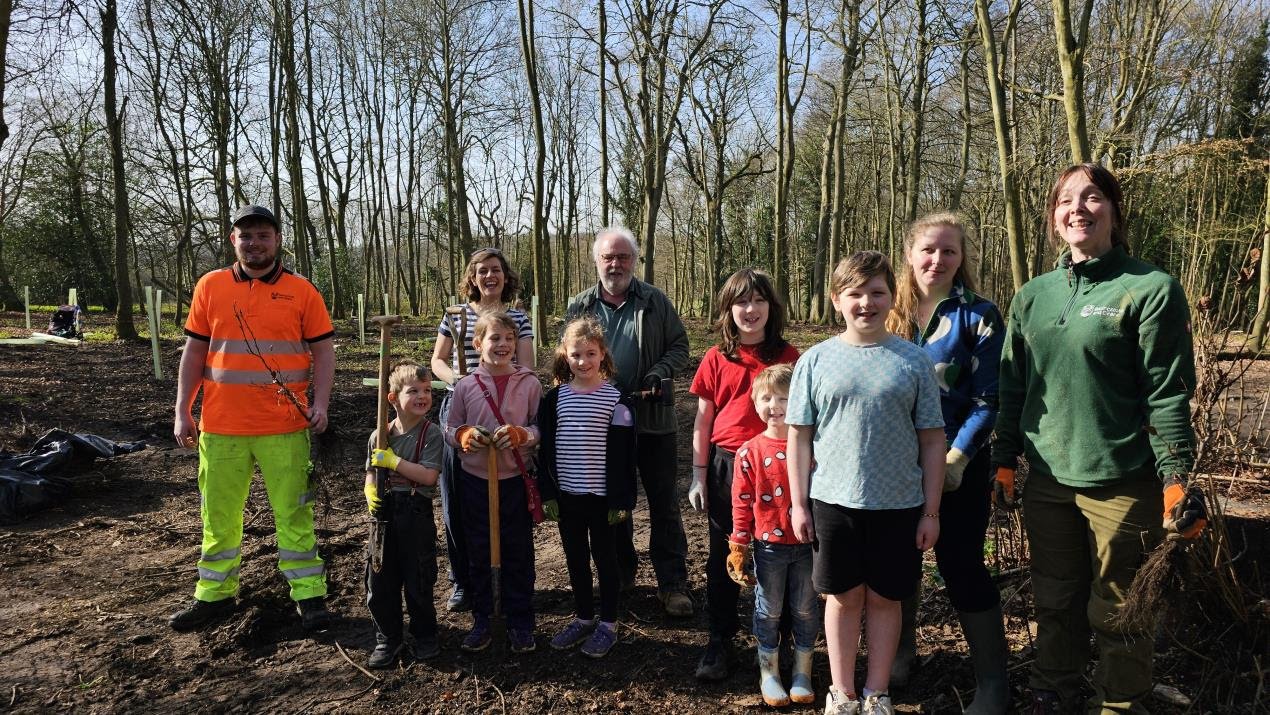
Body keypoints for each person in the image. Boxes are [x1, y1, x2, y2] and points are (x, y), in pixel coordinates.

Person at [992, 164, 1206, 714]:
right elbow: (1014, 387)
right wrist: (1004, 459)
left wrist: (1176, 477)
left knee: (1120, 607)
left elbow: (1166, 392)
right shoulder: (1032, 296)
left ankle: (1119, 703)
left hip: (1122, 480)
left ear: (1113, 210)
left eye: (1092, 197)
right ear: (1053, 217)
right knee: (1055, 596)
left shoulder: (1150, 288)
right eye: (1066, 200)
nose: (1078, 208)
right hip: (1048, 480)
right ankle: (1054, 690)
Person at [787, 251, 945, 715]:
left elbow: (932, 441)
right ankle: (843, 692)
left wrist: (931, 511)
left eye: (877, 292)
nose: (866, 303)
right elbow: (799, 438)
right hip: (833, 502)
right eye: (855, 293)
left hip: (899, 504)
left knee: (885, 599)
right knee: (842, 597)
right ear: (836, 300)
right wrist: (799, 504)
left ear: (891, 297)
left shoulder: (914, 361)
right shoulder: (815, 361)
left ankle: (877, 692)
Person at [169, 204, 335, 632]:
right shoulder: (210, 286)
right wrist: (183, 409)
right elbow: (194, 352)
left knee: (294, 514)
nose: (254, 243)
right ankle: (215, 595)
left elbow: (323, 352)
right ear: (233, 240)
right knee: (218, 516)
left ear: (277, 240)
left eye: (263, 235)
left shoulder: (302, 290)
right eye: (246, 236)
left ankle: (309, 595)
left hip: (286, 427)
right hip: (221, 427)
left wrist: (320, 404)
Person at [884, 212, 1009, 712]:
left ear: (961, 258)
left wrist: (956, 460)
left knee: (961, 565)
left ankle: (993, 684)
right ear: (909, 254)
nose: (937, 260)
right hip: (892, 466)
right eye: (928, 250)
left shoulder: (979, 315)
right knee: (897, 562)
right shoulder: (883, 310)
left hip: (960, 464)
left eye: (949, 251)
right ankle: (900, 652)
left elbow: (989, 399)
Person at [564, 226, 692, 617]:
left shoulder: (654, 300)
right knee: (614, 502)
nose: (615, 264)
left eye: (623, 257)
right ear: (596, 261)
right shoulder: (580, 305)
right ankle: (620, 573)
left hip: (653, 420)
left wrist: (658, 372)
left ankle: (673, 584)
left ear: (634, 261)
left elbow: (680, 346)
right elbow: (567, 356)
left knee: (664, 504)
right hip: (602, 425)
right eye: (608, 257)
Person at [687, 268, 800, 680]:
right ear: (728, 309)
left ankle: (779, 641)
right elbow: (703, 421)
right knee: (725, 554)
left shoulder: (790, 357)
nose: (750, 310)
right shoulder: (716, 357)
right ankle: (720, 639)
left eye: (758, 300)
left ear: (771, 307)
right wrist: (698, 474)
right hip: (727, 466)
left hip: (779, 468)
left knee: (781, 555)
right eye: (741, 302)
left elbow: (804, 420)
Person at [430, 247, 535, 613]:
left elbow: (527, 364)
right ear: (472, 278)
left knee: (509, 496)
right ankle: (462, 580)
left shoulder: (518, 318)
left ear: (506, 276)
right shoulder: (455, 315)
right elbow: (437, 360)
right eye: (483, 271)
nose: (490, 276)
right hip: (463, 407)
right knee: (458, 497)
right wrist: (459, 381)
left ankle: (507, 576)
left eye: (496, 270)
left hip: (506, 407)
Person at [538, 316, 638, 658]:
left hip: (603, 498)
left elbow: (626, 455)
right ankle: (583, 617)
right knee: (576, 559)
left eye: (590, 354)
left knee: (606, 560)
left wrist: (622, 499)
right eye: (576, 355)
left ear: (602, 354)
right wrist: (548, 493)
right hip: (568, 497)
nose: (583, 362)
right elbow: (544, 451)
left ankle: (608, 624)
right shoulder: (555, 399)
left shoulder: (617, 399)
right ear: (565, 356)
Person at [444, 311, 542, 653]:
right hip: (475, 481)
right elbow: (450, 428)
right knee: (479, 550)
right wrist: (464, 435)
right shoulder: (465, 386)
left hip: (515, 480)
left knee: (518, 552)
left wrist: (522, 435)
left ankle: (521, 621)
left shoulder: (529, 383)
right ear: (477, 344)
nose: (503, 345)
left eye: (509, 339)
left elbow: (540, 427)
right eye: (494, 338)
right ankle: (483, 618)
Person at [727, 363, 818, 707]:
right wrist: (738, 543)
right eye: (766, 398)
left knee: (805, 608)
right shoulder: (749, 451)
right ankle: (769, 672)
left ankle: (803, 672)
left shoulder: (812, 447)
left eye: (783, 398)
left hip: (808, 545)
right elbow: (741, 501)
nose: (774, 405)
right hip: (768, 547)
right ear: (755, 403)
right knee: (768, 610)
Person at [362, 361, 444, 668]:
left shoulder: (431, 434)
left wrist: (394, 463)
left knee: (418, 577)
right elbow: (371, 473)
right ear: (393, 398)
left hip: (415, 513)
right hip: (382, 517)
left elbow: (428, 477)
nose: (423, 396)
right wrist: (369, 492)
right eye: (414, 391)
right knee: (379, 580)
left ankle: (425, 634)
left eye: (427, 390)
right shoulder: (379, 436)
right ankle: (388, 637)